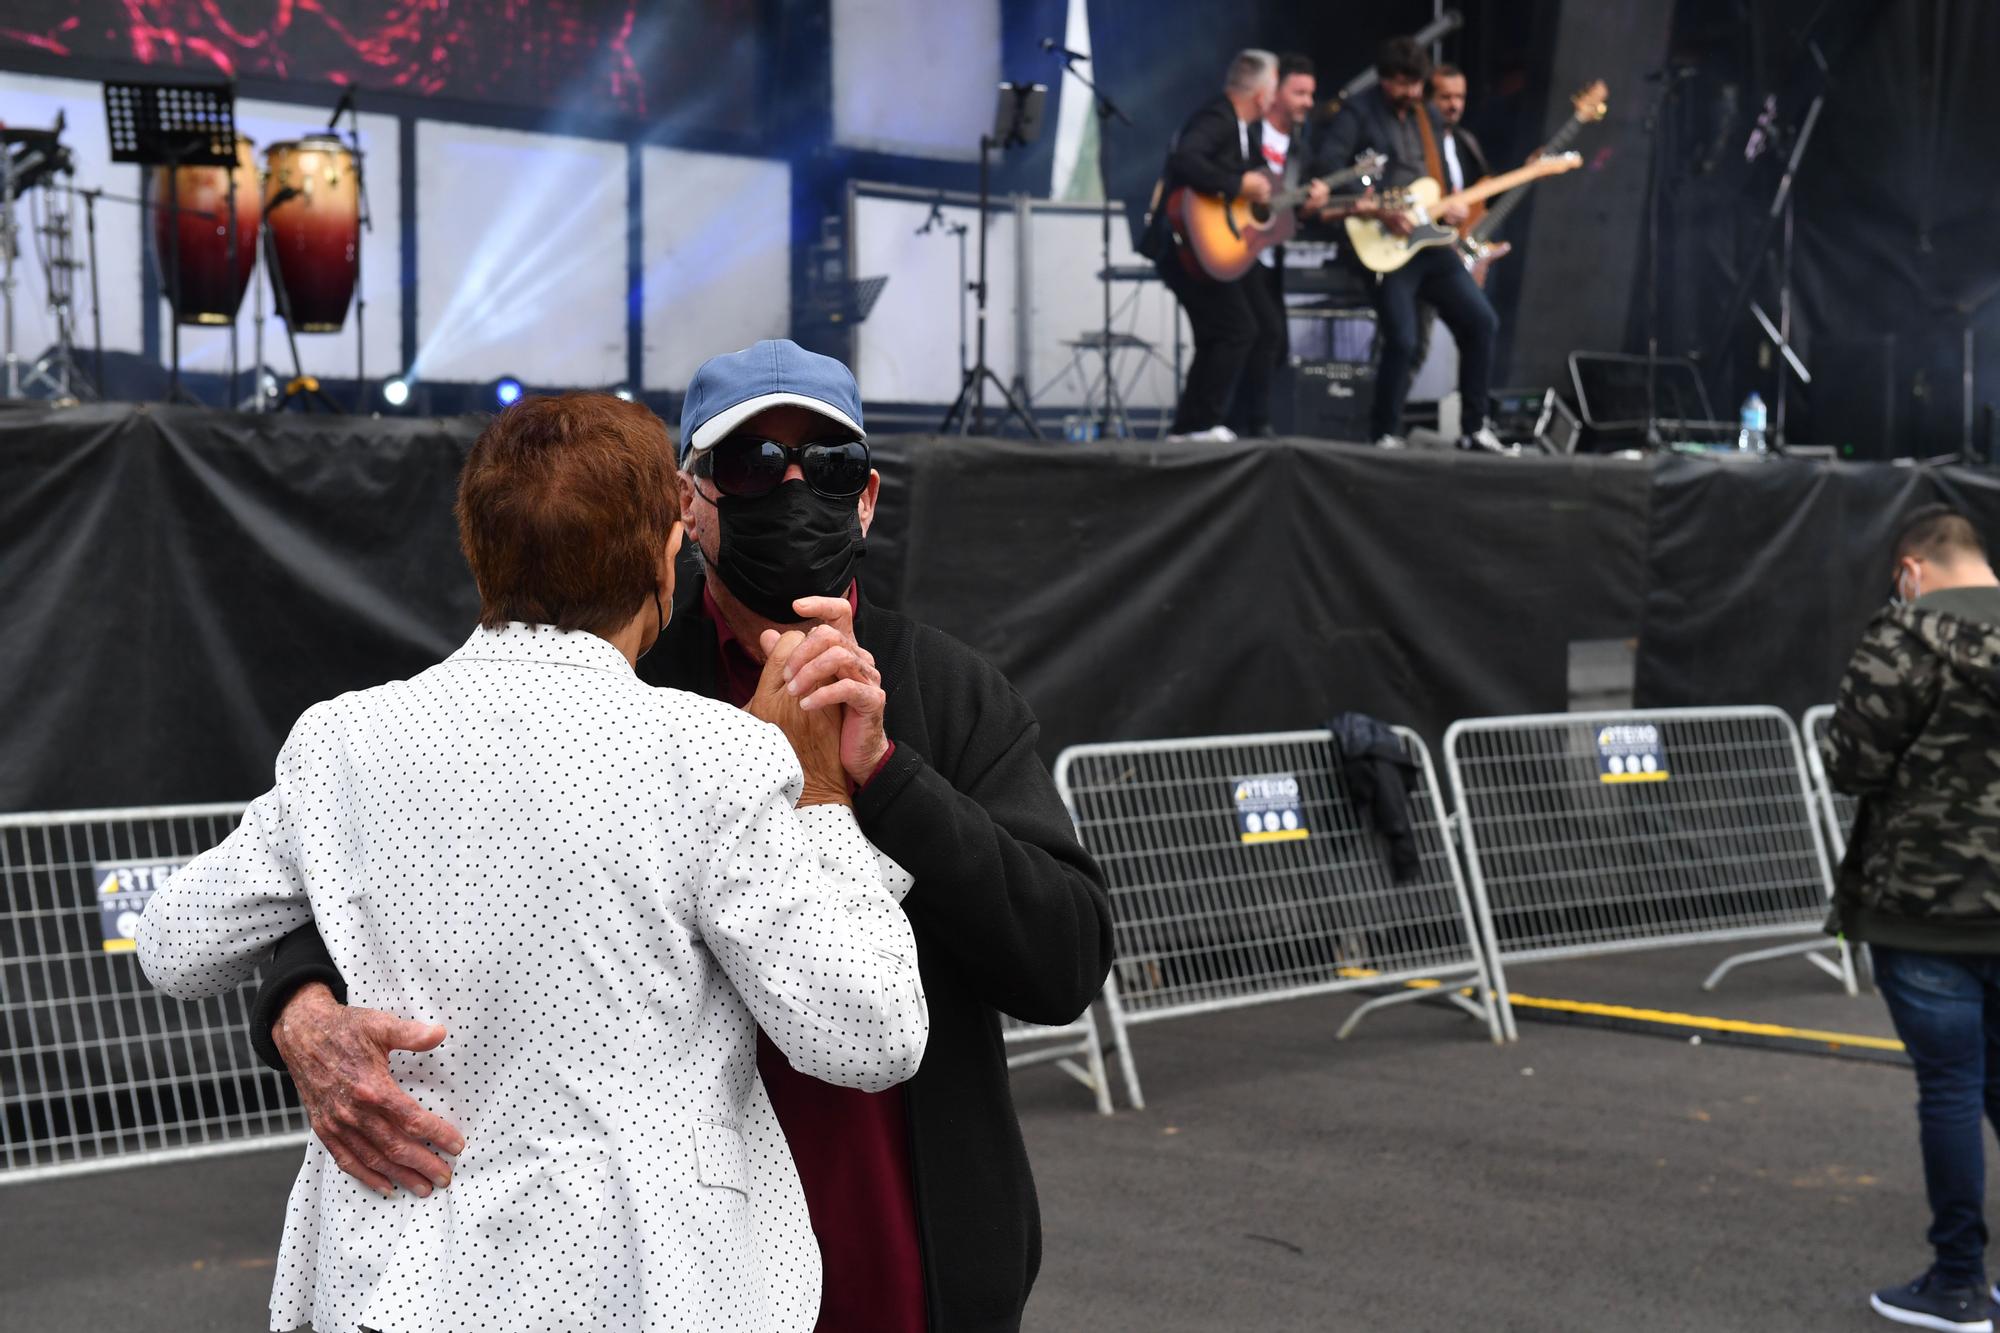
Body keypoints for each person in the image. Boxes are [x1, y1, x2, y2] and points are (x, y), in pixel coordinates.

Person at [246, 340, 1116, 1332]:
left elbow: (1062, 962)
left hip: (910, 1251)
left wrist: (883, 777)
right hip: (666, 1269)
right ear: (687, 503)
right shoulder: (620, 681)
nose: (793, 489)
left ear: (867, 497)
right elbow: (368, 857)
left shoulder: (947, 694)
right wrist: (302, 1005)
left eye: (825, 466)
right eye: (751, 465)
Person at [135, 392, 930, 1333]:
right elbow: (871, 1034)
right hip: (648, 1288)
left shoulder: (342, 740)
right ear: (661, 554)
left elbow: (175, 942)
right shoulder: (715, 755)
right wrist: (824, 799)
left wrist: (301, 1008)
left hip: (397, 1280)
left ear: (479, 551)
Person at [1823, 505, 2000, 1333]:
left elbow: (1851, 766)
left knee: (1951, 1093)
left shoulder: (1900, 641)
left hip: (1924, 911)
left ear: (1911, 569)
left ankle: (1959, 1283)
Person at [1318, 36, 1502, 451]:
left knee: (1481, 322)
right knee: (1402, 339)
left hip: (1429, 238)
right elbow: (1328, 169)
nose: (1411, 93)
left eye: (1416, 84)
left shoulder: (1427, 117)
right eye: (1402, 84)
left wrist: (1449, 207)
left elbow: (1432, 177)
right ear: (1384, 80)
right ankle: (1383, 432)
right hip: (1384, 242)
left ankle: (1475, 428)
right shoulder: (1358, 114)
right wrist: (1377, 206)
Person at [1146, 50, 1289, 442]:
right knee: (1234, 328)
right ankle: (1200, 424)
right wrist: (1237, 184)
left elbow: (1261, 197)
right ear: (1262, 94)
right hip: (1189, 247)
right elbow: (1186, 160)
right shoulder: (1218, 118)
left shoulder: (1248, 132)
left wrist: (1303, 198)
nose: (1274, 100)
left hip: (1223, 249)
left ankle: (1212, 423)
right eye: (1275, 89)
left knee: (1262, 325)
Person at [1223, 51, 1320, 439]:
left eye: (1311, 94)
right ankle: (1247, 424)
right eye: (1299, 92)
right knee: (1253, 334)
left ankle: (1242, 422)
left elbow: (1294, 212)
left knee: (1271, 342)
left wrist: (1313, 204)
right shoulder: (1248, 131)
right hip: (1233, 244)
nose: (1308, 103)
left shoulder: (1301, 149)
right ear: (1274, 92)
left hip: (1267, 254)